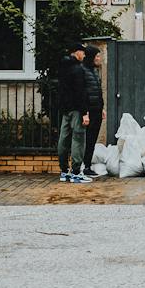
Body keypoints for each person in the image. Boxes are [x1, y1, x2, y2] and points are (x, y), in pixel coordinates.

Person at [54, 44, 91, 184]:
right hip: (76, 109)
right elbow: (80, 92)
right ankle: (76, 172)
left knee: (63, 139)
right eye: (83, 52)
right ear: (77, 52)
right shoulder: (78, 69)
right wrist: (84, 112)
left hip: (65, 109)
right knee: (78, 139)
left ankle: (64, 171)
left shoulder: (63, 67)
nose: (85, 55)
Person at [81, 45, 105, 177]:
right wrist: (85, 112)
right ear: (91, 57)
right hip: (89, 111)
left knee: (92, 139)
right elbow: (83, 93)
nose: (99, 58)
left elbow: (98, 91)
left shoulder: (94, 72)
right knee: (86, 139)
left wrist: (102, 108)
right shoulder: (83, 71)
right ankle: (81, 166)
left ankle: (87, 166)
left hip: (97, 110)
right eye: (97, 56)